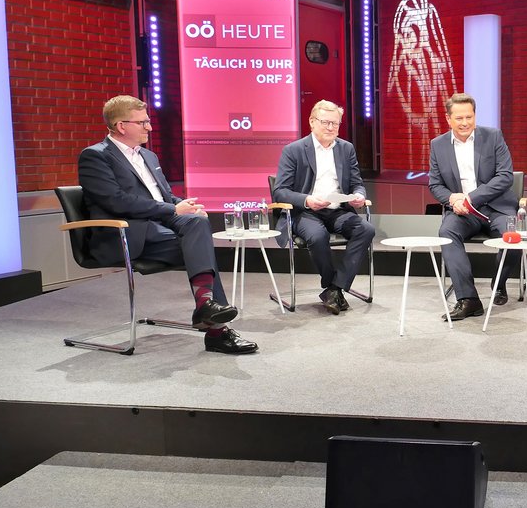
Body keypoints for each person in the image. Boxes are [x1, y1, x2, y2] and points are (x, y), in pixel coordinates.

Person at [78, 95, 257, 354]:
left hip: (160, 226)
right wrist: (173, 208)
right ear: (121, 126)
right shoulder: (95, 157)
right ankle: (215, 329)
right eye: (143, 123)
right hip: (126, 232)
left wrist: (184, 204)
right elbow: (116, 201)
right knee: (201, 248)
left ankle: (205, 305)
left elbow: (163, 194)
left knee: (197, 225)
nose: (149, 127)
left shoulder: (148, 156)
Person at [273, 100, 376, 314]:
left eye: (335, 124)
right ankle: (333, 287)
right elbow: (280, 191)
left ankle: (335, 288)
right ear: (312, 122)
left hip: (338, 210)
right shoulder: (294, 150)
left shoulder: (346, 149)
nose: (330, 128)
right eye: (325, 122)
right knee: (317, 236)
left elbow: (357, 182)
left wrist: (358, 195)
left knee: (366, 229)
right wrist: (307, 200)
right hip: (305, 212)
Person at [428, 93, 521, 321]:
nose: (465, 123)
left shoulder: (493, 136)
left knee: (514, 237)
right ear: (448, 119)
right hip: (462, 211)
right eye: (459, 118)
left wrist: (471, 198)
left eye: (469, 117)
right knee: (446, 232)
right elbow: (435, 184)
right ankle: (468, 299)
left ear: (475, 115)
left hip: (496, 207)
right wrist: (453, 199)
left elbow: (505, 176)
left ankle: (499, 282)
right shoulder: (438, 145)